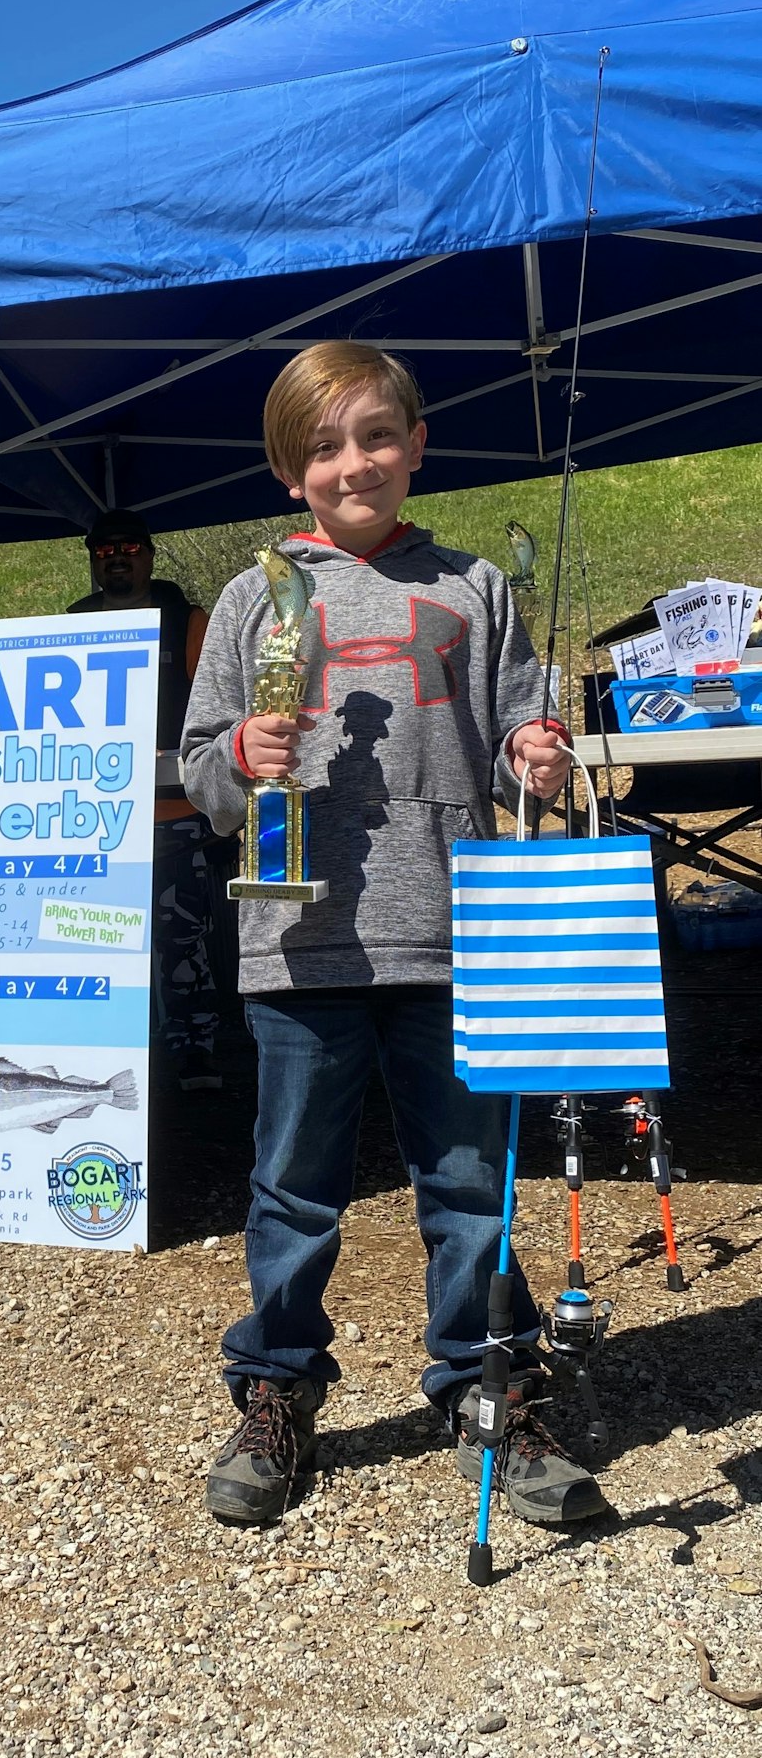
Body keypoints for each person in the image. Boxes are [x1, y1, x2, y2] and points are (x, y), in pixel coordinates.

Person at [179, 340, 599, 1532]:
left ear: (416, 447)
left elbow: (528, 722)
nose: (353, 461)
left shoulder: (474, 583)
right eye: (325, 445)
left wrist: (538, 749)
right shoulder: (257, 596)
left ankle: (490, 1387)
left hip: (460, 934)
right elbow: (199, 767)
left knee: (470, 1184)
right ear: (289, 470)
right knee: (293, 1187)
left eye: (375, 436)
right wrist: (235, 761)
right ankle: (275, 1389)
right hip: (296, 938)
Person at [69, 508, 222, 1093]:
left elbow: (215, 712)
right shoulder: (71, 622)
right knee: (97, 936)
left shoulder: (187, 621)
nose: (117, 557)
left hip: (174, 814)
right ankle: (115, 1051)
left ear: (150, 554)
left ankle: (195, 1050)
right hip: (94, 819)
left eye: (129, 547)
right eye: (104, 549)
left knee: (181, 936)